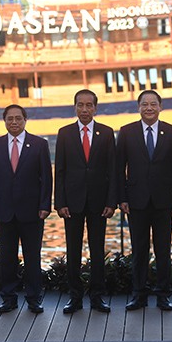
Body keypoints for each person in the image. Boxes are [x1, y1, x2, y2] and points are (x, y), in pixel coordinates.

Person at [116, 90, 172, 311]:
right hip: (136, 201)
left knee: (163, 250)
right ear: (138, 107)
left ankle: (163, 294)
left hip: (164, 201)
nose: (149, 108)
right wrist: (122, 198)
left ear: (160, 107)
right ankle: (139, 294)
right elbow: (119, 169)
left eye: (153, 104)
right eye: (145, 104)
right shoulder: (127, 132)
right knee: (139, 250)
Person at [0, 105, 52, 314]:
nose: (14, 122)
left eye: (18, 118)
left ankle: (34, 298)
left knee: (33, 257)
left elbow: (46, 178)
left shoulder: (39, 144)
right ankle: (9, 298)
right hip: (4, 211)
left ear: (25, 120)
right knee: (7, 258)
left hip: (32, 211)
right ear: (4, 121)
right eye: (10, 119)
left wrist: (45, 205)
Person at [55, 90, 117, 314]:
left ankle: (97, 296)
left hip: (99, 203)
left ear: (95, 108)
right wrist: (60, 202)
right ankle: (75, 297)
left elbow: (113, 170)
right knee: (73, 250)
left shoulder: (106, 133)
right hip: (72, 203)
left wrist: (112, 201)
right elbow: (60, 171)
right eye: (80, 105)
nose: (84, 109)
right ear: (75, 107)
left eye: (89, 105)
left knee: (97, 250)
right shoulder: (64, 133)